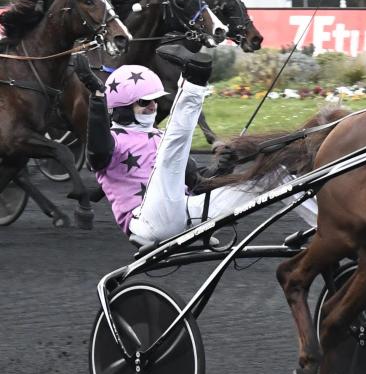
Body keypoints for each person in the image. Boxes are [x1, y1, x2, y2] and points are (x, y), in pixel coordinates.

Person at [73, 52, 317, 246]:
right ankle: (193, 82)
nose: (153, 107)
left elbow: (197, 183)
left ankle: (326, 227)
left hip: (187, 214)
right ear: (123, 106)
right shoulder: (113, 139)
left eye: (155, 100)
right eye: (144, 102)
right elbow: (97, 153)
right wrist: (96, 94)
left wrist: (224, 167)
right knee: (172, 149)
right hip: (147, 222)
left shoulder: (159, 137)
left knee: (276, 176)